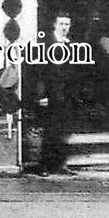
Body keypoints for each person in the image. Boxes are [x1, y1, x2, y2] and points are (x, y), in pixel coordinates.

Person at [34, 12, 77, 177]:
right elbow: (40, 72)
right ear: (54, 25)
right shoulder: (45, 44)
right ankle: (44, 165)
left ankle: (60, 164)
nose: (64, 27)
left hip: (66, 95)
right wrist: (41, 95)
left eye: (67, 24)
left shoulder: (71, 44)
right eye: (61, 24)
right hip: (50, 94)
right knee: (49, 130)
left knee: (64, 130)